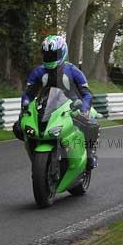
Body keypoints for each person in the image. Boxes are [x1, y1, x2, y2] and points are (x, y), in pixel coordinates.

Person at [19, 35, 99, 170]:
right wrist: (25, 105)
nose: (50, 58)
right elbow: (28, 93)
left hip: (72, 106)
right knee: (18, 127)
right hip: (46, 107)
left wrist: (84, 109)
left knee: (91, 123)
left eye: (53, 54)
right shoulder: (38, 72)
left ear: (63, 53)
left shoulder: (73, 71)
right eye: (47, 55)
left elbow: (87, 93)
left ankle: (90, 155)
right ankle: (36, 155)